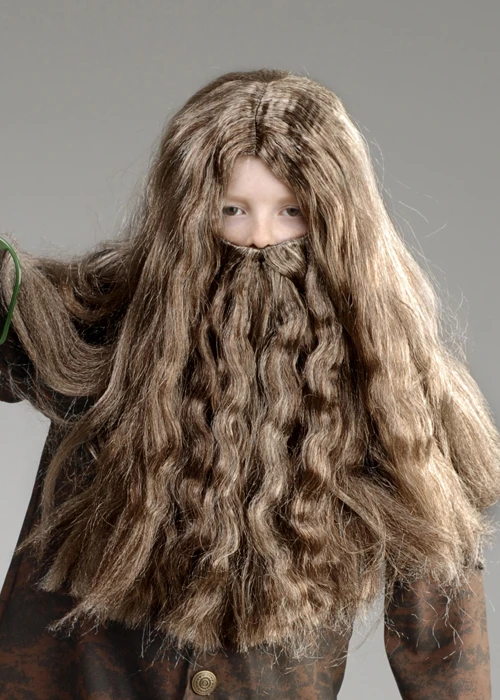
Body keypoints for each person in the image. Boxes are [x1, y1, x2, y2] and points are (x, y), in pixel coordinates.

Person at [0, 68, 498, 699]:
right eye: (232, 211)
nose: (260, 239)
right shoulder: (102, 327)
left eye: (291, 213)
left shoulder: (395, 388)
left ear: (335, 222)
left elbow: (442, 635)